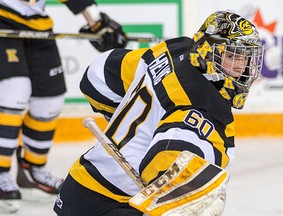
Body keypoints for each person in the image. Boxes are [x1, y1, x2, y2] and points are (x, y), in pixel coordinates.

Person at [53, 10, 264, 216]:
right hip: (117, 203)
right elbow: (164, 163)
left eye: (245, 58)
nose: (241, 68)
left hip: (79, 186)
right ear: (208, 51)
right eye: (232, 56)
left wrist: (130, 124)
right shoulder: (204, 104)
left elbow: (96, 77)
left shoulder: (175, 51)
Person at [0, 0, 128, 213]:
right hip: (3, 23)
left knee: (49, 99)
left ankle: (32, 168)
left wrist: (97, 23)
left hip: (38, 24)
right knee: (13, 91)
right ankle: (1, 172)